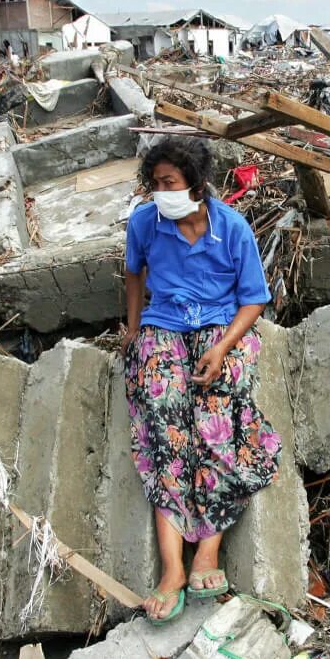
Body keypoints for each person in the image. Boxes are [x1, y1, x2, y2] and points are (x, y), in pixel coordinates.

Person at [122, 136, 281, 625]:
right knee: (164, 419)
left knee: (217, 421)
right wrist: (133, 328)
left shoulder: (231, 228)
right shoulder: (145, 222)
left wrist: (222, 346)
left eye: (169, 183)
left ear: (195, 182)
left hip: (219, 327)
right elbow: (134, 275)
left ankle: (207, 552)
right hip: (164, 324)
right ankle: (172, 569)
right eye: (155, 183)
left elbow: (254, 298)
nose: (160, 192)